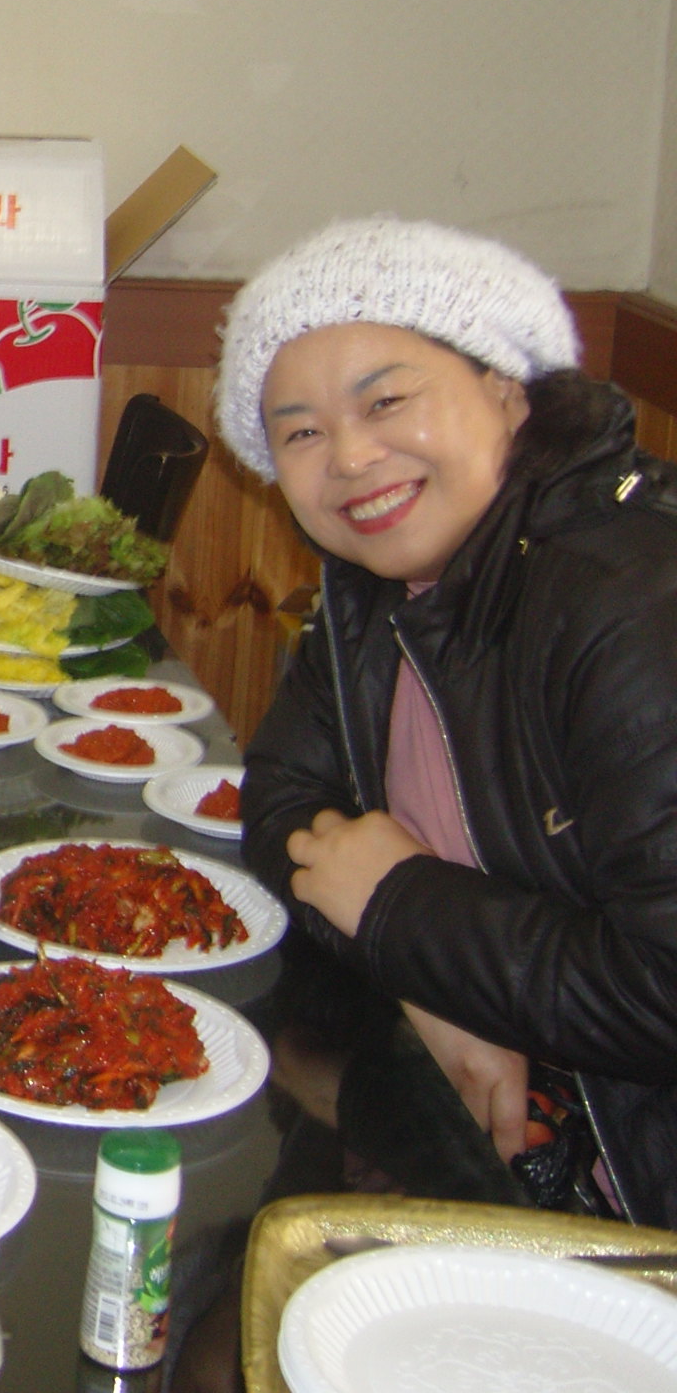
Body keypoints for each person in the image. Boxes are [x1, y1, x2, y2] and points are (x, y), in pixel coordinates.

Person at [220, 216, 677, 1229]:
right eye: (300, 432)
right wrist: (427, 978)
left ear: (508, 390)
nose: (349, 456)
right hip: (492, 1161)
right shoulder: (380, 591)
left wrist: (399, 909)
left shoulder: (633, 601)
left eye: (385, 400)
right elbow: (282, 797)